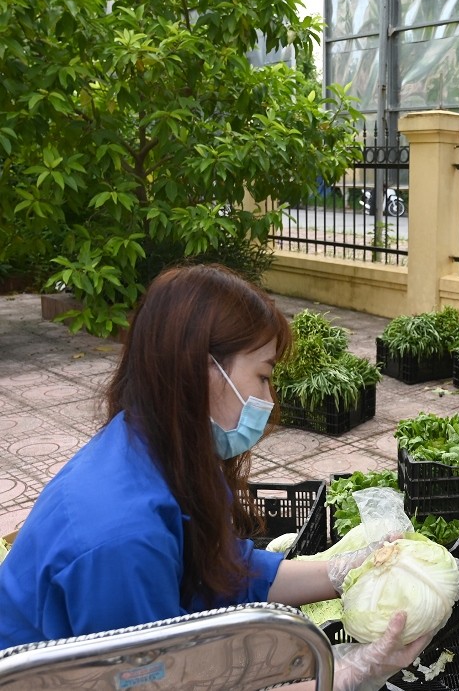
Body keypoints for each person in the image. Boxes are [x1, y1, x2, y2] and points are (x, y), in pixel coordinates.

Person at [0, 264, 431, 690]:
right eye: (262, 376)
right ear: (204, 368)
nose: (268, 400)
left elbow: (225, 571)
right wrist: (345, 676)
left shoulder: (162, 452)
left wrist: (343, 570)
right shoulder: (123, 536)